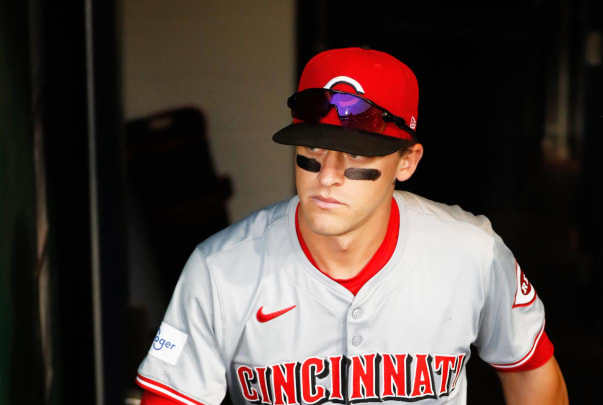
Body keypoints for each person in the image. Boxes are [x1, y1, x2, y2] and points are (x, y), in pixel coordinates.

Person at [136, 47, 568, 405]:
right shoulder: (219, 268)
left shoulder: (473, 251)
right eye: (313, 146)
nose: (328, 175)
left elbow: (530, 372)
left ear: (407, 162)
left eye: (357, 155)